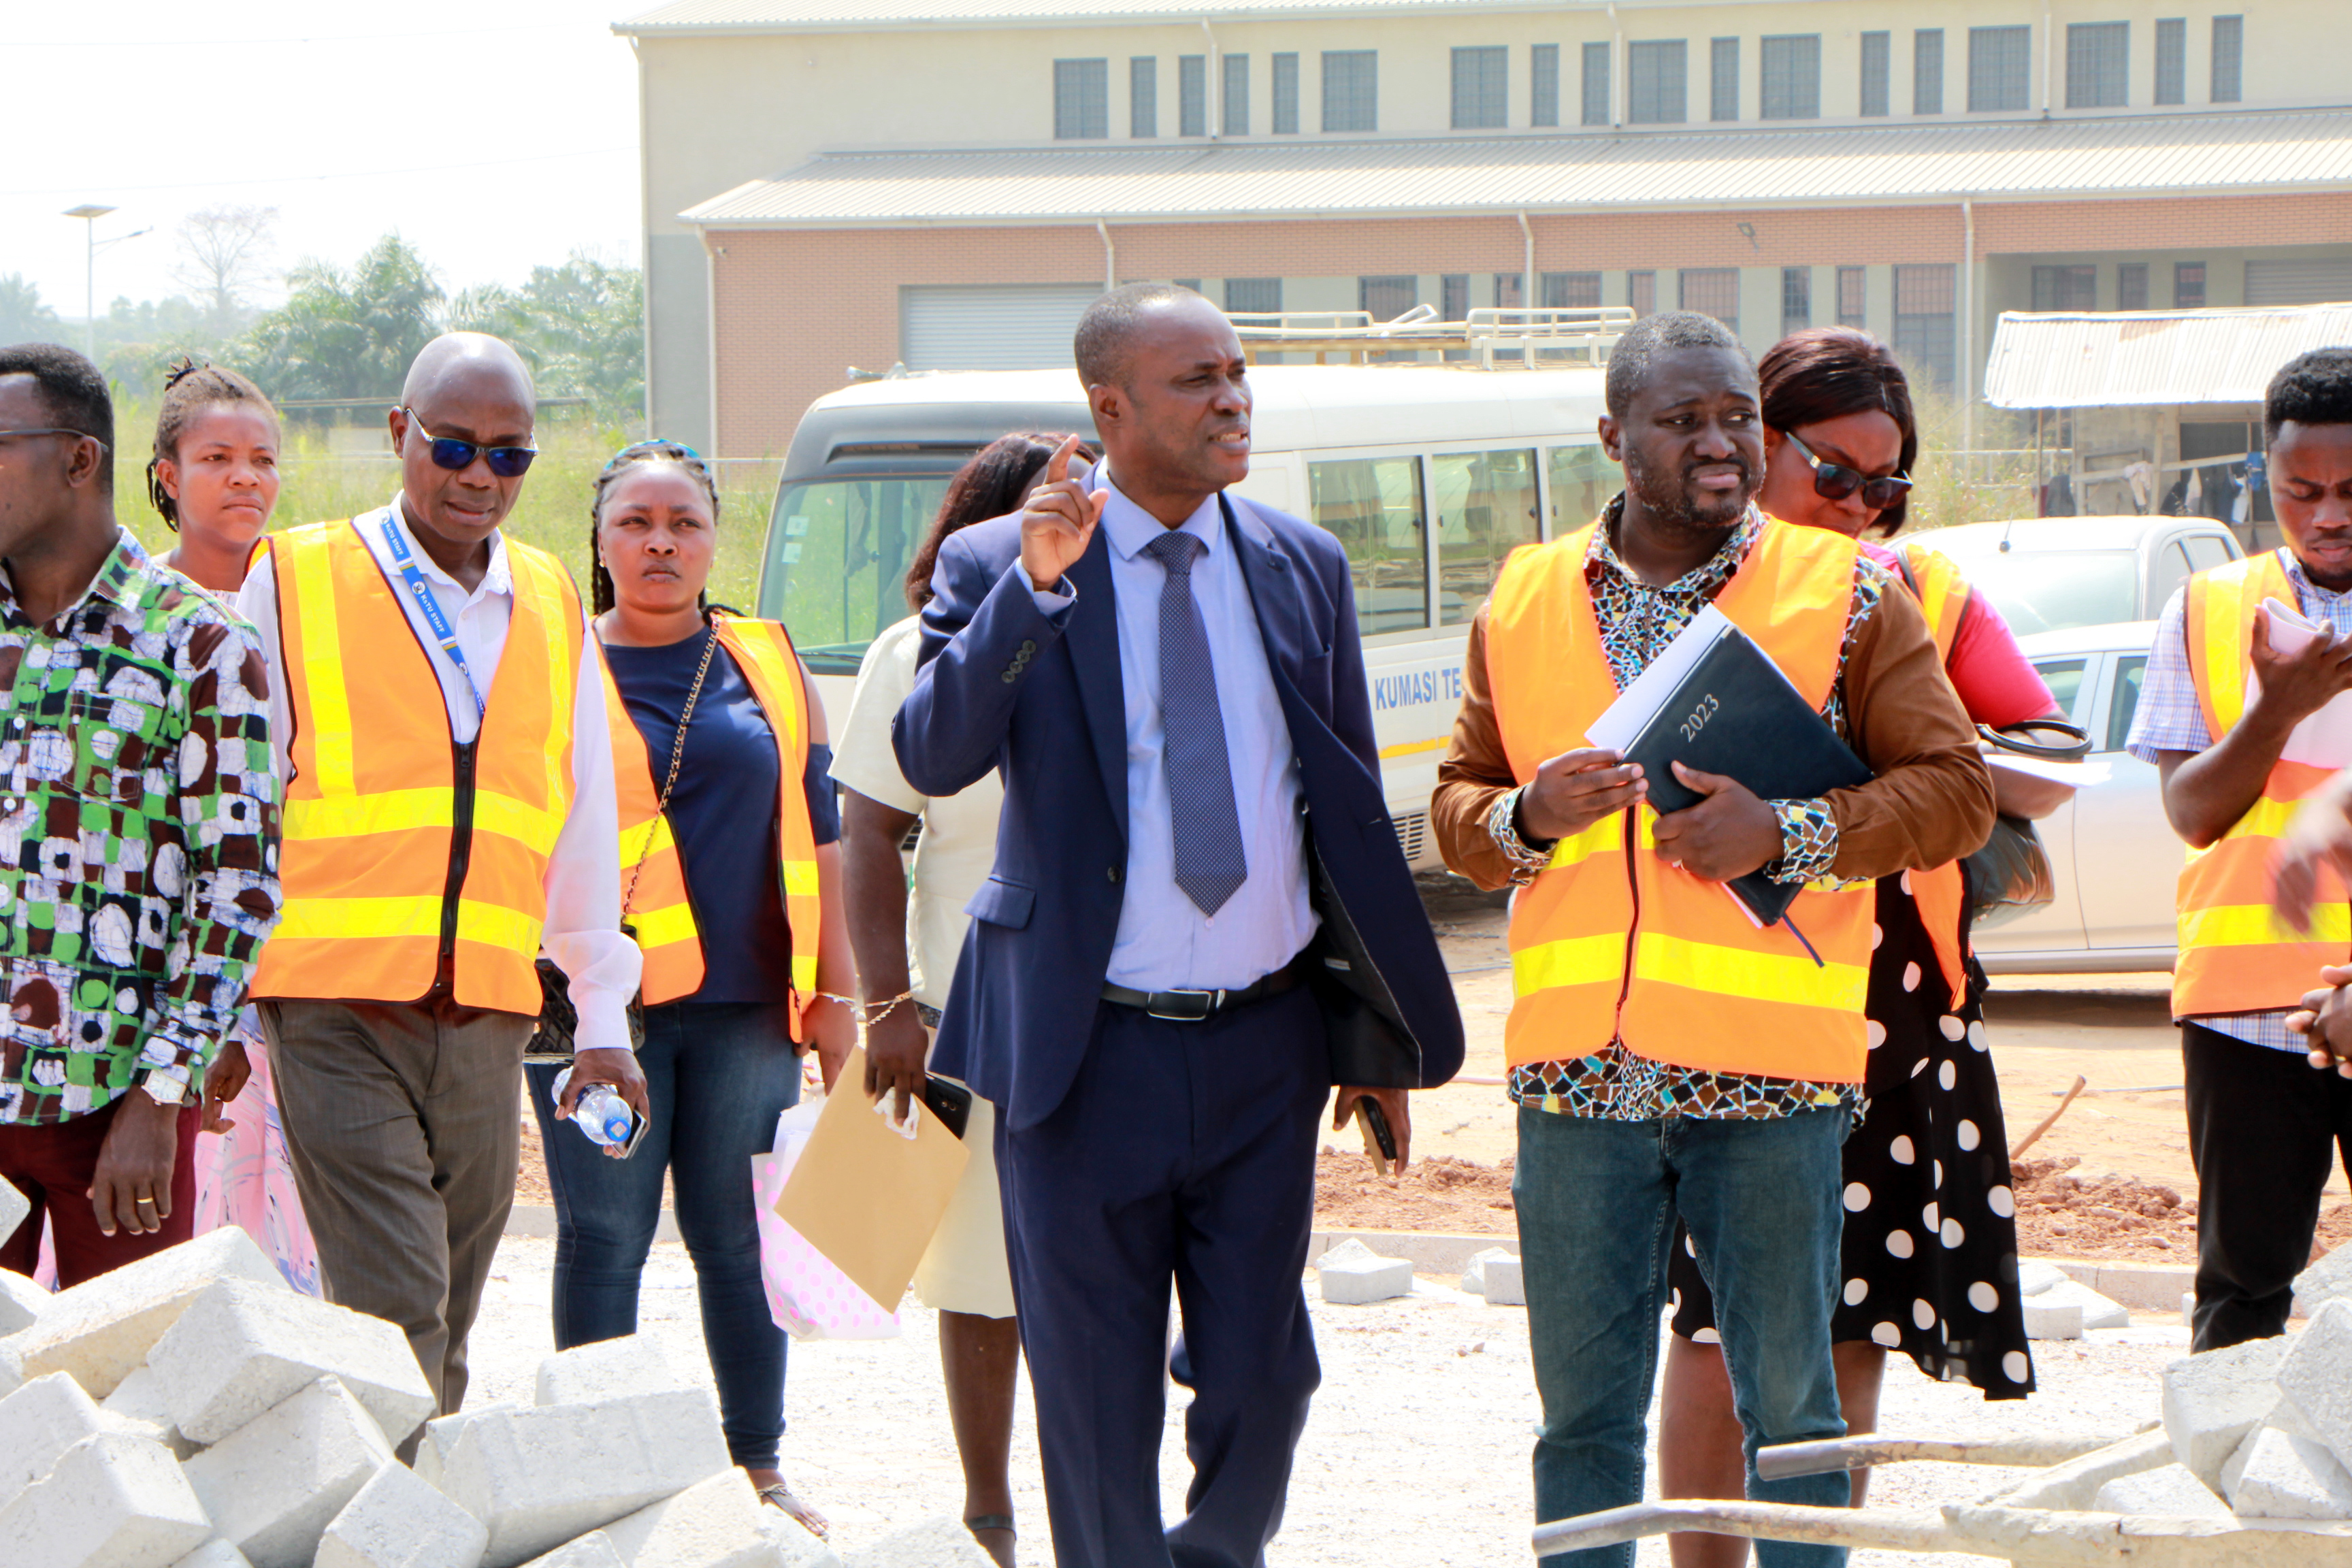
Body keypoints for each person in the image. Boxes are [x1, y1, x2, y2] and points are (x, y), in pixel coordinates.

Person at [894, 284, 1463, 1568]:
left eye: (1238, 372)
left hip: (1266, 1048)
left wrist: (1371, 1038)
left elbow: (1345, 820)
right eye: (1197, 379)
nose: (1232, 399)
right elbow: (931, 754)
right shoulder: (999, 565)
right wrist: (1032, 593)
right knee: (1095, 1399)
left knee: (1266, 1376)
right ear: (1109, 408)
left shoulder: (1302, 564)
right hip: (1082, 1051)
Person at [1431, 312, 1994, 1567]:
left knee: (1791, 1420)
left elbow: (1957, 794)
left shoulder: (1848, 589)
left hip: (1769, 1077)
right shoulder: (1523, 597)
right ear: (1614, 436)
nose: (1720, 443)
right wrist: (1527, 817)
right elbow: (1461, 809)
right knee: (1581, 1425)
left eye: (1738, 417)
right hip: (1577, 1082)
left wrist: (1785, 831)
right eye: (1683, 420)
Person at [1654, 328, 2069, 1565]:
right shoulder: (1677, 585)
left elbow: (2052, 765)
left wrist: (1922, 748)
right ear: (1752, 443)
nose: (1858, 504)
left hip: (1895, 1010)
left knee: (1855, 1318)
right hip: (1727, 1004)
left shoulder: (1918, 591)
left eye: (1884, 485)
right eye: (1833, 473)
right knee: (1716, 1323)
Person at [235, 332, 640, 1415]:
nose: (479, 477)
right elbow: (238, 809)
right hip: (333, 1006)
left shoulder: (552, 600)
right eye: (453, 446)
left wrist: (601, 1019)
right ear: (397, 434)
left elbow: (582, 821)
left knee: (446, 1321)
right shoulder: (294, 579)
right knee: (396, 1306)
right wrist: (212, 1005)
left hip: (488, 1017)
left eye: (510, 456)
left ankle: (389, 1496)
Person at [534, 437, 855, 1533]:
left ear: (716, 541)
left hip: (749, 1009)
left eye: (684, 524)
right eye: (636, 522)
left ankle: (757, 1465)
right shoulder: (552, 661)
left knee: (737, 1239)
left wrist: (842, 1003)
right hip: (594, 1015)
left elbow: (823, 833)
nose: (661, 543)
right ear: (601, 540)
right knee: (604, 1238)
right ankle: (598, 1474)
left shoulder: (769, 658)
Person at [834, 431, 1088, 1567]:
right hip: (966, 1019)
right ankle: (989, 1517)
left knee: (1092, 1283)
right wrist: (888, 1008)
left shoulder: (1112, 635)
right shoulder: (912, 653)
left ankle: (1094, 1512)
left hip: (1109, 1015)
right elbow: (869, 836)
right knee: (980, 1279)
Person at [0, 342, 280, 1284]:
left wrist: (162, 1095)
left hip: (118, 1116)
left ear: (79, 460)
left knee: (124, 1373)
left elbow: (237, 888)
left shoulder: (198, 642)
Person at [2127, 346, 2352, 1352]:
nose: (2328, 515)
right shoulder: (2207, 607)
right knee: (2240, 1294)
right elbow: (2192, 812)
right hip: (2245, 1013)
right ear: (2268, 477)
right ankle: (2229, 1459)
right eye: (2303, 491)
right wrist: (2276, 711)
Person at [144, 357, 325, 1296]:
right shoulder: (131, 614)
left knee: (290, 1228)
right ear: (168, 476)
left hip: (303, 965)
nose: (245, 478)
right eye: (217, 458)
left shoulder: (312, 603)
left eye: (263, 459)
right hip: (163, 971)